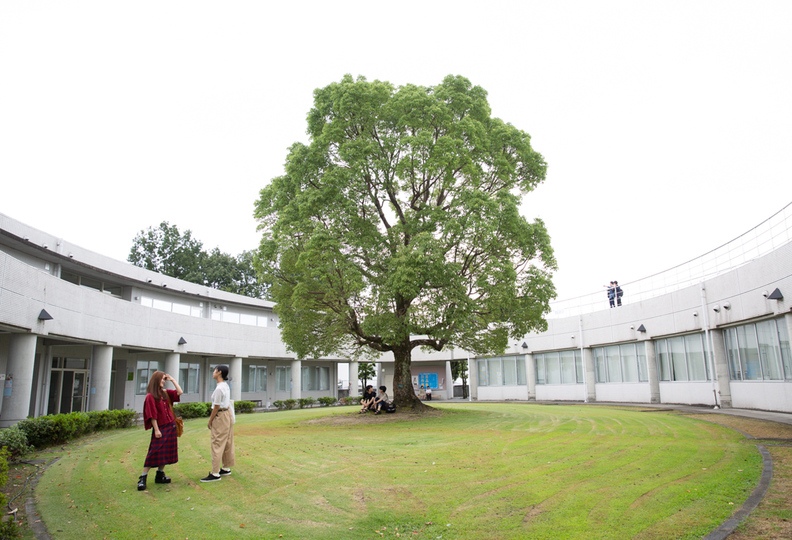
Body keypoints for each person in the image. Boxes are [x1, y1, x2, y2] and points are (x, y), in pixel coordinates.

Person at [138, 371, 183, 491]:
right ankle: (143, 477)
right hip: (161, 427)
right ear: (155, 380)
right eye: (162, 379)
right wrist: (157, 430)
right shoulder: (150, 396)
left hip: (171, 426)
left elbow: (180, 392)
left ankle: (160, 474)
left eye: (164, 379)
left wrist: (172, 380)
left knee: (166, 452)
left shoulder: (165, 393)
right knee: (154, 452)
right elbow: (152, 415)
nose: (163, 381)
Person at [200, 365, 236, 482]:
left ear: (219, 372)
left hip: (221, 415)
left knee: (217, 442)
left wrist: (210, 420)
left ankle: (215, 473)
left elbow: (216, 407)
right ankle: (226, 468)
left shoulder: (219, 388)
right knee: (227, 442)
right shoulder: (225, 386)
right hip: (227, 414)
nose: (213, 373)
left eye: (214, 371)